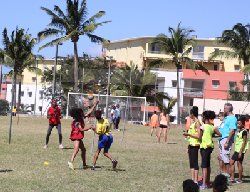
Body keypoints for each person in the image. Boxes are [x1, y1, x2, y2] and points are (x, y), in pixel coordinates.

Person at [67, 101, 99, 170]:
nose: (83, 113)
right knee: (76, 149)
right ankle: (71, 161)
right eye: (81, 112)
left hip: (78, 136)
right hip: (76, 136)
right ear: (78, 114)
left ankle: (84, 164)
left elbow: (89, 112)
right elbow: (81, 129)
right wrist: (89, 127)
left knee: (83, 150)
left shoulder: (81, 118)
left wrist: (94, 105)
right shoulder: (77, 121)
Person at [199, 110, 222, 190]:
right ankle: (208, 182)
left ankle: (204, 184)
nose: (202, 118)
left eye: (202, 116)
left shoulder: (203, 126)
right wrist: (214, 132)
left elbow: (199, 137)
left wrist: (189, 135)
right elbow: (220, 134)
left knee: (204, 166)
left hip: (204, 148)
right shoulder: (212, 127)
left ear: (205, 117)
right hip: (210, 148)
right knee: (207, 166)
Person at [183, 106, 201, 184]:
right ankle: (192, 179)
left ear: (192, 114)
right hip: (191, 145)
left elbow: (198, 135)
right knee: (191, 163)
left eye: (190, 114)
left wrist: (189, 134)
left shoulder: (197, 123)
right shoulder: (193, 122)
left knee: (195, 163)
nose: (189, 115)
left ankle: (195, 180)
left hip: (195, 145)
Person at [219, 103, 237, 176]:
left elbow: (232, 130)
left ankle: (227, 174)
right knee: (222, 157)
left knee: (226, 157)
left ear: (228, 109)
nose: (223, 110)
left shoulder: (232, 118)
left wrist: (227, 141)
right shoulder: (226, 118)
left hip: (226, 139)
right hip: (221, 139)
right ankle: (223, 173)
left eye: (224, 108)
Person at [230, 116, 249, 183]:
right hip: (236, 150)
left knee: (239, 164)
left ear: (243, 124)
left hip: (240, 151)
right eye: (237, 123)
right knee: (231, 162)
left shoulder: (244, 132)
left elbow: (244, 142)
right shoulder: (239, 131)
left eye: (239, 124)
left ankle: (240, 179)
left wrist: (241, 152)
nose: (237, 125)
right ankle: (232, 178)